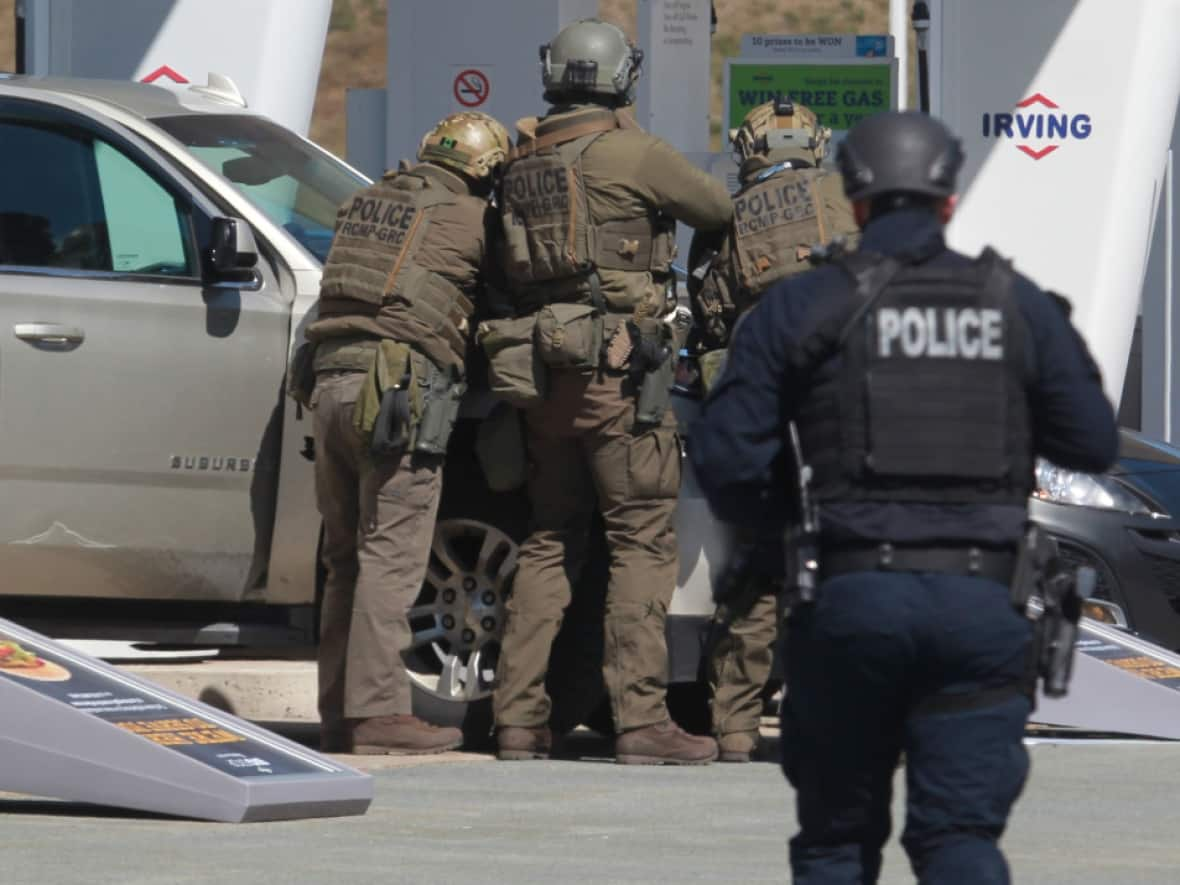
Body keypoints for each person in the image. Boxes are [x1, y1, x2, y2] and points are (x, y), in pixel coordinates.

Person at [688, 111, 1118, 881]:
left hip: (851, 600)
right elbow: (1090, 443)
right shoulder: (1016, 304)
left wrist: (786, 528)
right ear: (950, 200)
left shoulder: (800, 307)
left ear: (853, 201)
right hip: (981, 606)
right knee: (959, 840)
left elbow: (725, 460)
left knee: (835, 845)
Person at [489, 17, 733, 764]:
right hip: (620, 374)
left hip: (540, 375)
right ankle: (641, 721)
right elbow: (717, 209)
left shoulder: (521, 157)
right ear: (622, 79)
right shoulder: (633, 151)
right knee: (640, 543)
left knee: (549, 539)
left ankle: (518, 721)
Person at [301, 111, 510, 755]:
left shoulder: (364, 203)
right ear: (484, 172)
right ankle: (380, 714)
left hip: (329, 382)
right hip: (396, 392)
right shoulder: (473, 219)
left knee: (343, 560)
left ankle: (338, 710)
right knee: (391, 557)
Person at [686, 98, 859, 764]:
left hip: (762, 405)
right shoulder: (852, 194)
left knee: (756, 567)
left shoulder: (726, 218)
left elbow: (709, 316)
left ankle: (734, 726)